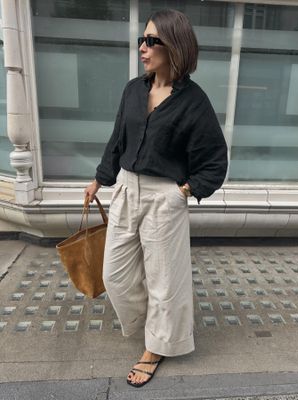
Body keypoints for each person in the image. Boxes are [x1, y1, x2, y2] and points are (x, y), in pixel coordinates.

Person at [84, 8, 228, 388]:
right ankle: (155, 322)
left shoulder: (194, 102)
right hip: (128, 189)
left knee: (165, 279)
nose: (142, 47)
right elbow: (118, 140)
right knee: (113, 274)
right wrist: (100, 180)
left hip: (166, 195)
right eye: (141, 40)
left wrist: (184, 192)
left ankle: (157, 345)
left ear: (174, 46)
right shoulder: (134, 89)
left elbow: (214, 161)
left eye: (151, 41)